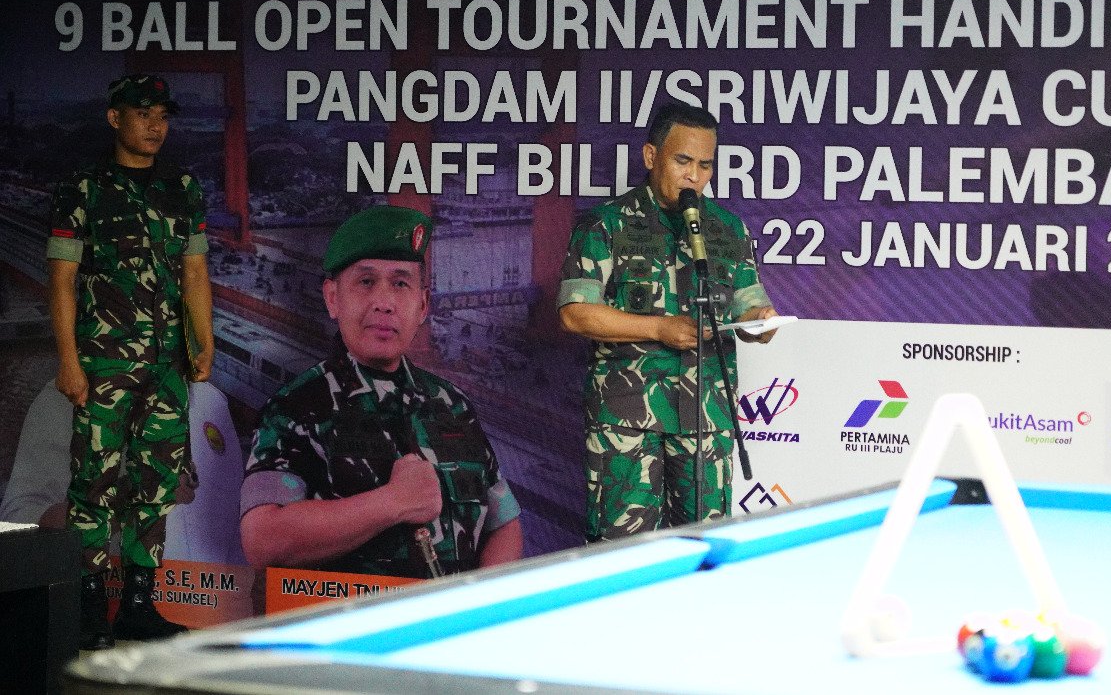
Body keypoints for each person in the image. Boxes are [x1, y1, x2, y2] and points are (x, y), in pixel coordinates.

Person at [239, 205, 522, 579]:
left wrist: (482, 601)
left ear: (422, 305)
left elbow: (503, 524)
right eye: (366, 282)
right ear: (333, 298)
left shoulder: (452, 405)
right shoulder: (296, 408)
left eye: (401, 284)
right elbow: (263, 540)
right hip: (354, 617)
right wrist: (392, 502)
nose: (384, 303)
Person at [558, 101, 779, 542]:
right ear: (651, 156)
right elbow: (574, 313)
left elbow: (750, 304)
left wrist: (763, 321)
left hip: (706, 418)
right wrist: (657, 328)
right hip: (626, 419)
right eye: (682, 161)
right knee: (621, 552)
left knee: (703, 546)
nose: (694, 175)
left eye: (705, 165)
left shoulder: (727, 229)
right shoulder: (606, 225)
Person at [46, 74, 214, 649]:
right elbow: (61, 279)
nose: (155, 126)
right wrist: (68, 361)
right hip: (103, 365)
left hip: (167, 367)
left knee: (156, 484)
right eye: (143, 114)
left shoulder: (182, 187)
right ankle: (90, 607)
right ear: (114, 118)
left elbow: (195, 271)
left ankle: (139, 607)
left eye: (162, 115)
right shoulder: (83, 189)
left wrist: (204, 342)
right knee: (93, 484)